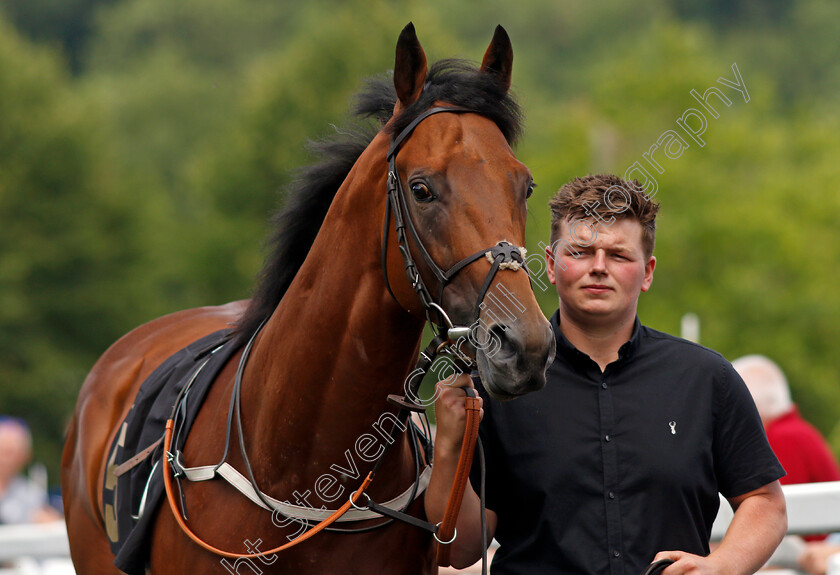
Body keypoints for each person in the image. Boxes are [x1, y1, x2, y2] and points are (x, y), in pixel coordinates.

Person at [425, 174, 788, 575]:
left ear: (647, 272)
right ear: (549, 264)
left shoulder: (706, 378)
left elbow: (765, 502)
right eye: (580, 252)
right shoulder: (499, 384)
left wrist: (723, 566)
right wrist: (448, 448)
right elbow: (457, 552)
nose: (598, 267)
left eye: (618, 255)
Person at [0, 416, 61, 524]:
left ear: (25, 456)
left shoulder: (33, 495)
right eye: (3, 450)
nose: (5, 459)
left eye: (10, 452)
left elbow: (52, 526)